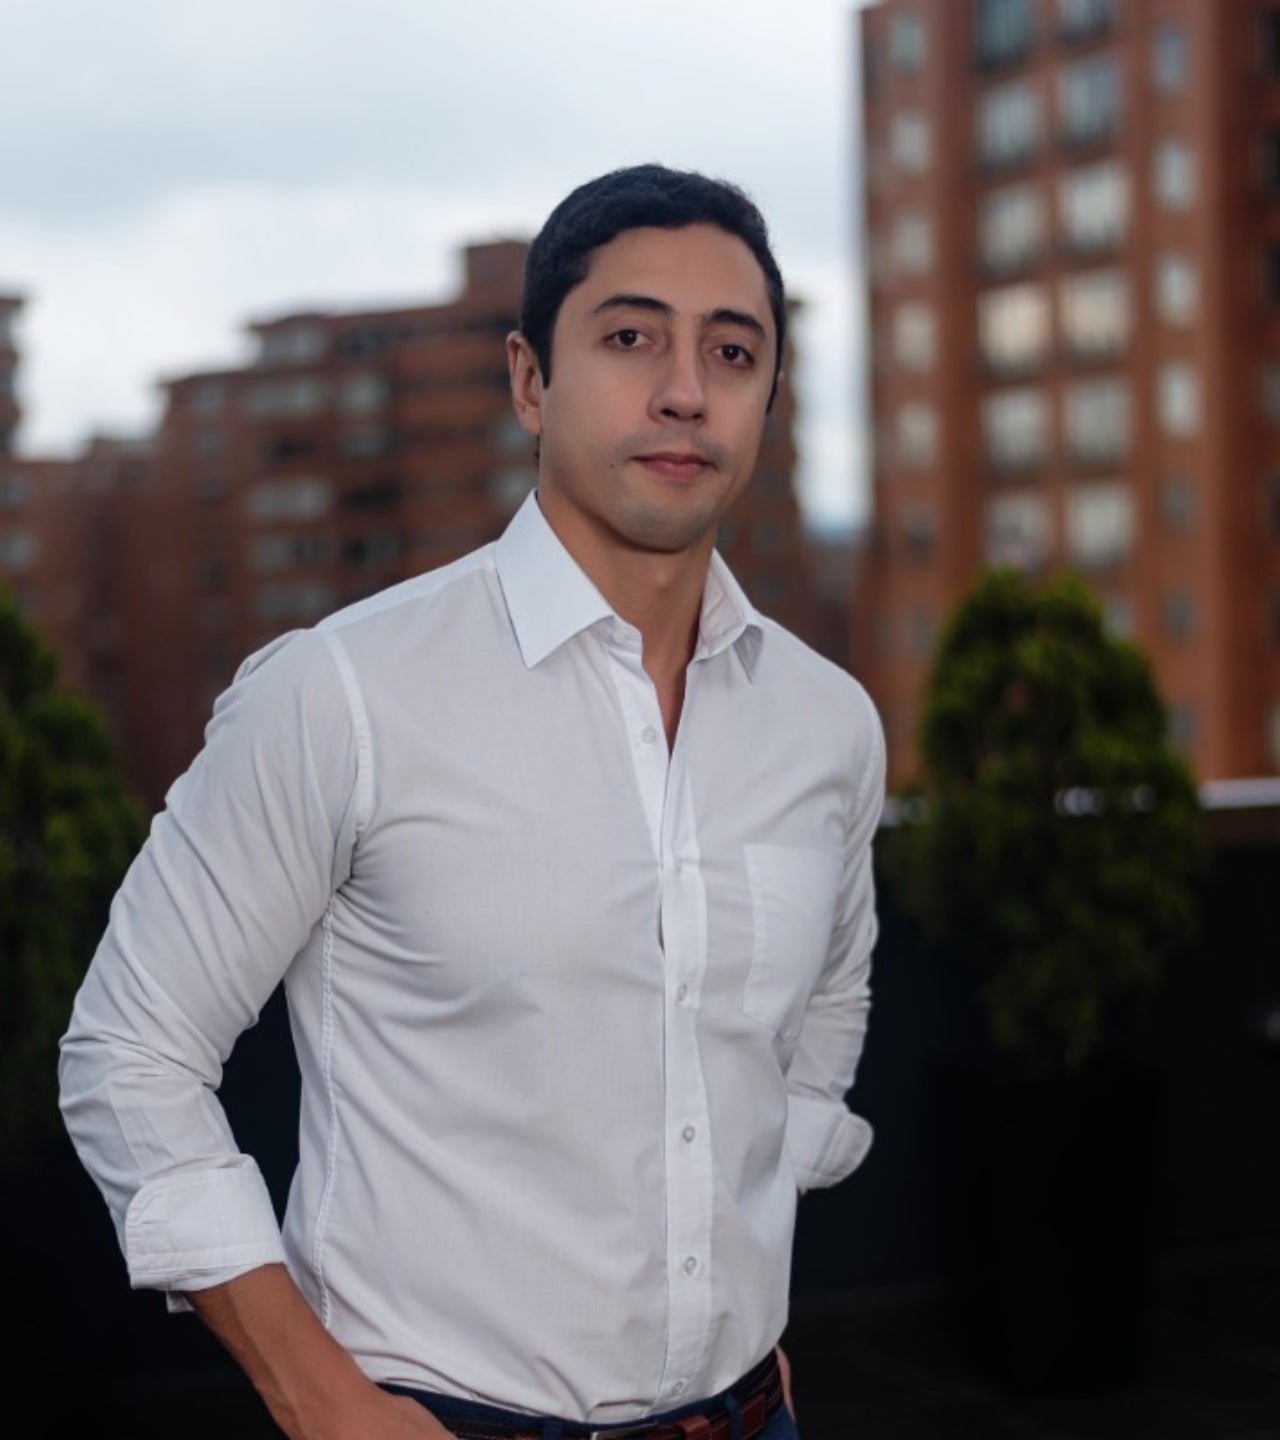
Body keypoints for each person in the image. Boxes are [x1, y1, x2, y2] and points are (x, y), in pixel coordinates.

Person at [59, 163, 886, 1440]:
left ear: (767, 395)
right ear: (528, 380)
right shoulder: (344, 692)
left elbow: (824, 1010)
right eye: (629, 338)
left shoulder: (826, 724)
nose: (684, 390)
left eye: (732, 351)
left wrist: (740, 1262)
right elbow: (128, 1048)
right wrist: (321, 1401)